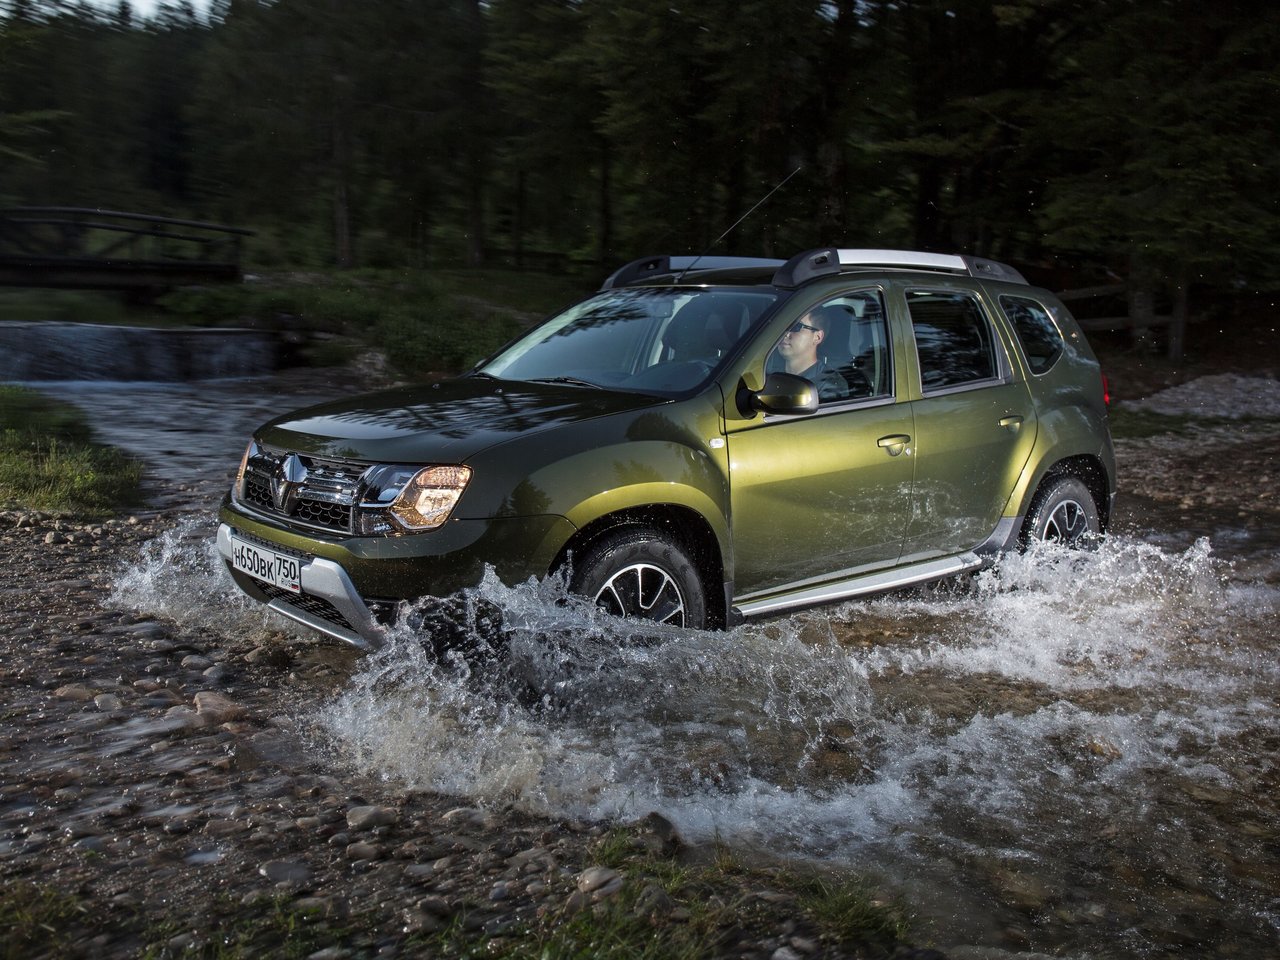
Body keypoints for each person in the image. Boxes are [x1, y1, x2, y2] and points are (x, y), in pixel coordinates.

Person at [771, 305, 850, 402]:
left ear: (817, 337)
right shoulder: (767, 375)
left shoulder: (830, 385)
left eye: (796, 327)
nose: (786, 333)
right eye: (784, 326)